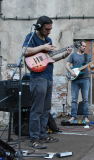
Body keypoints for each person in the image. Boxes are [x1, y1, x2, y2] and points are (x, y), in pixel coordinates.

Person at [22, 16, 72, 149]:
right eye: (47, 29)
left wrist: (64, 55)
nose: (49, 31)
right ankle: (34, 138)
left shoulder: (48, 40)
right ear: (39, 26)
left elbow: (50, 58)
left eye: (50, 29)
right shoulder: (32, 36)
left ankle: (43, 135)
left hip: (49, 77)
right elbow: (25, 51)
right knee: (37, 110)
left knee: (45, 110)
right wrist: (42, 47)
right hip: (38, 77)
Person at [66, 40, 94, 123]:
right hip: (75, 80)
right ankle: (73, 116)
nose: (84, 47)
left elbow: (92, 67)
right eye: (83, 46)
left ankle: (86, 117)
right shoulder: (73, 55)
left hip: (85, 79)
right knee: (74, 99)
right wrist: (71, 72)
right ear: (79, 46)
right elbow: (67, 65)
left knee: (85, 99)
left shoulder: (87, 56)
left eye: (85, 46)